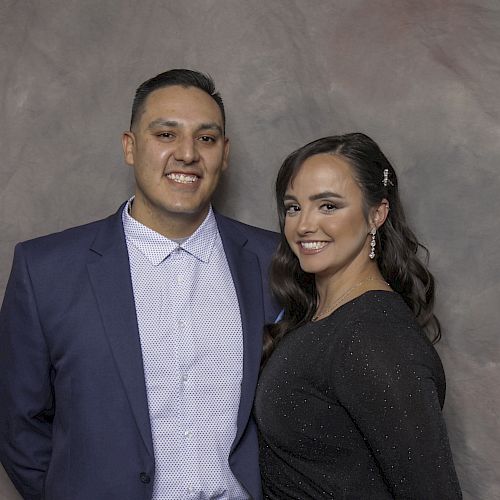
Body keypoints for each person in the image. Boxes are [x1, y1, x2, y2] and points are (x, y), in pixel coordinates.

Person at [0, 69, 280, 500]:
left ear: (224, 154)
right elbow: (17, 424)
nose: (187, 154)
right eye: (166, 134)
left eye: (206, 139)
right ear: (130, 147)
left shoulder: (275, 262)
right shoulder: (46, 270)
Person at [255, 133, 462, 499]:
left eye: (328, 206)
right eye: (293, 207)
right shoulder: (317, 318)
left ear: (376, 214)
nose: (304, 225)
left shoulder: (373, 333)